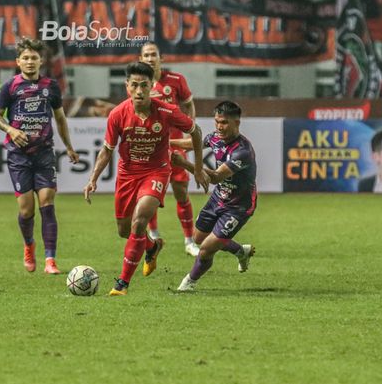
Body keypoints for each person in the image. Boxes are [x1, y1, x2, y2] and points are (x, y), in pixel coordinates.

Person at [83, 61, 209, 296]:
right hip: (127, 175)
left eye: (144, 85)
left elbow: (196, 131)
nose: (139, 90)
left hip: (157, 171)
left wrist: (199, 169)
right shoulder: (118, 114)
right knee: (124, 231)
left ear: (152, 86)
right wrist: (93, 179)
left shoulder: (165, 110)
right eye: (134, 85)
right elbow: (107, 149)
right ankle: (151, 247)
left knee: (139, 221)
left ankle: (122, 283)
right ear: (127, 86)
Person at [0, 37, 80, 274]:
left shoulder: (50, 86)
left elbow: (60, 118)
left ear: (41, 61)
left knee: (47, 203)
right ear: (18, 61)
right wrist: (11, 129)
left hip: (44, 154)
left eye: (34, 58)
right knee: (26, 210)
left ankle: (50, 259)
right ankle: (29, 245)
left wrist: (69, 146)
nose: (30, 62)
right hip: (18, 155)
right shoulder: (10, 86)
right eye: (26, 58)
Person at [170, 101, 258, 292]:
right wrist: (166, 143)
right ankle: (240, 251)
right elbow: (192, 143)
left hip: (239, 206)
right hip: (219, 198)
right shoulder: (215, 137)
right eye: (217, 121)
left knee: (206, 249)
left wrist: (184, 164)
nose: (219, 126)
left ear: (237, 123)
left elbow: (217, 177)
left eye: (224, 122)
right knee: (198, 238)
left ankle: (188, 283)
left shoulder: (242, 151)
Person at [139, 42, 200, 257]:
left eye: (153, 54)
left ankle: (189, 241)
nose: (149, 58)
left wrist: (189, 129)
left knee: (181, 191)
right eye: (145, 55)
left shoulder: (175, 80)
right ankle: (154, 235)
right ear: (141, 58)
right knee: (150, 194)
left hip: (174, 146)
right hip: (150, 149)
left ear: (160, 57)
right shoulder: (139, 84)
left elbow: (189, 104)